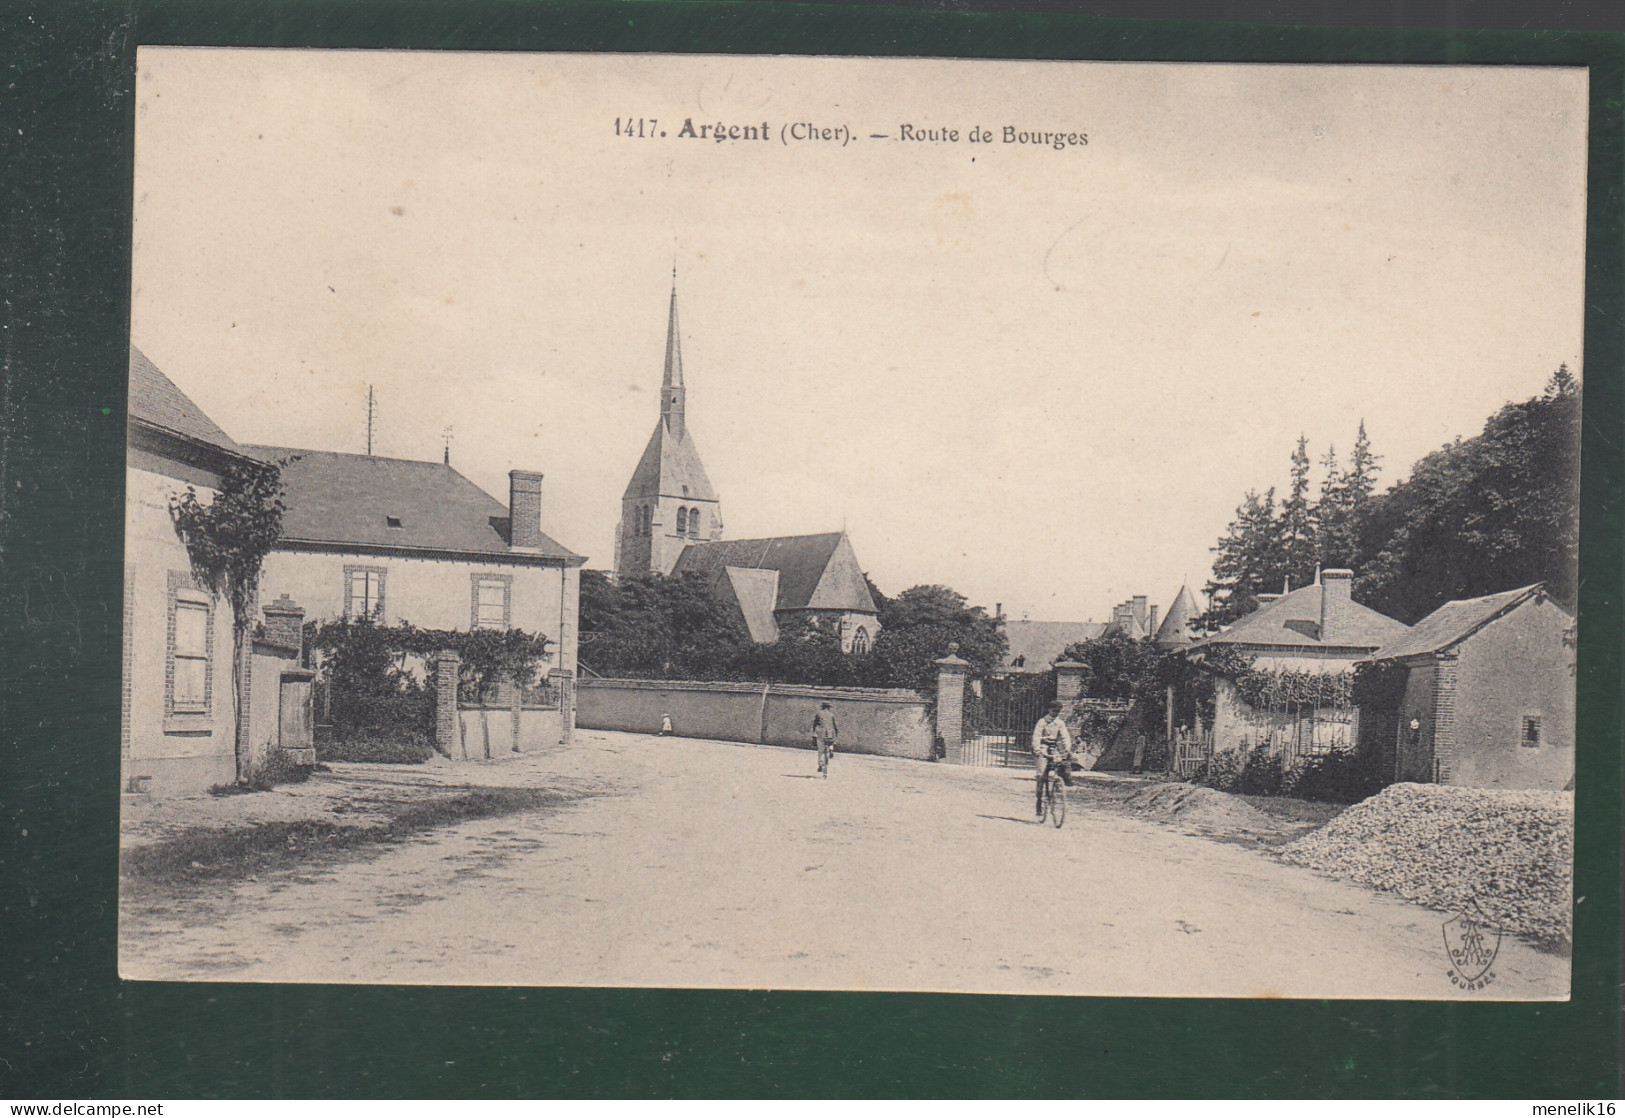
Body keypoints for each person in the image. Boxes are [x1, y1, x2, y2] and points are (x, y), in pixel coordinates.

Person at [1031, 700, 1076, 817]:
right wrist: (1036, 749)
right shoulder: (1042, 722)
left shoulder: (1060, 723)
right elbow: (1036, 736)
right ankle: (1039, 800)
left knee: (1062, 763)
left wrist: (1067, 749)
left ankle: (1060, 785)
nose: (1055, 713)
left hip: (1054, 747)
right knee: (1041, 775)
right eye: (1053, 711)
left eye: (1058, 712)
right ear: (1049, 710)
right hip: (1043, 747)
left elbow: (1065, 736)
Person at [811, 701, 839, 778]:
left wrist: (813, 735)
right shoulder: (831, 715)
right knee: (830, 742)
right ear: (829, 708)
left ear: (822, 707)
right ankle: (831, 748)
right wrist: (836, 736)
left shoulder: (818, 714)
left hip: (820, 732)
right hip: (830, 733)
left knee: (821, 750)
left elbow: (815, 724)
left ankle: (820, 765)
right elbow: (836, 726)